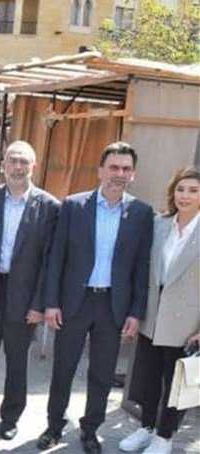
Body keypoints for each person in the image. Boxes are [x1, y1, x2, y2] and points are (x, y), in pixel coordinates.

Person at [38, 142, 154, 454]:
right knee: (63, 369)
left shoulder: (142, 213)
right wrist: (51, 302)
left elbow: (142, 267)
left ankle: (90, 430)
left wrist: (136, 312)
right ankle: (54, 426)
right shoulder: (73, 206)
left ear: (133, 174)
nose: (119, 174)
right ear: (101, 170)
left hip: (113, 306)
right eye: (114, 167)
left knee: (102, 374)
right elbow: (56, 257)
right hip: (73, 303)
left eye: (126, 169)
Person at [0, 142, 60, 439]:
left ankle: (10, 417)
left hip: (25, 296)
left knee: (17, 360)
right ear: (3, 164)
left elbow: (49, 262)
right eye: (12, 161)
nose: (17, 167)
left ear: (33, 166)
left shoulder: (49, 206)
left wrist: (39, 304)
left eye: (23, 162)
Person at [119, 167, 200, 454]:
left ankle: (164, 437)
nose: (185, 196)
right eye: (180, 189)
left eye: (193, 191)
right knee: (148, 378)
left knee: (175, 384)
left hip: (187, 322)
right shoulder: (160, 224)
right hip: (153, 315)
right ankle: (146, 428)